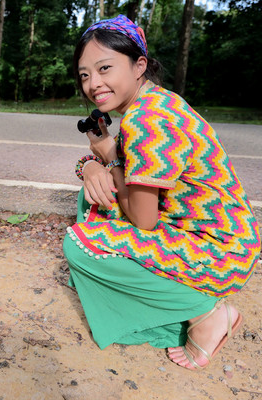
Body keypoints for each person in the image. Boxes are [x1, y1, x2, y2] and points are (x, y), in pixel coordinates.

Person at [64, 14, 261, 370]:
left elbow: (143, 220)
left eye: (105, 68)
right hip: (227, 235)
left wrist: (106, 155)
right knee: (91, 197)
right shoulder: (153, 101)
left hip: (218, 250)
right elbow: (120, 170)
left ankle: (206, 314)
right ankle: (151, 297)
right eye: (85, 74)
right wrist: (90, 166)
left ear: (139, 65)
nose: (93, 83)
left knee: (79, 247)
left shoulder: (147, 122)